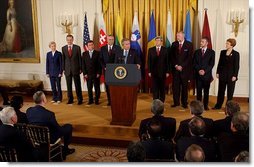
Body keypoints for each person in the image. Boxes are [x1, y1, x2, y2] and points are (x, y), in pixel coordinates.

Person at [26, 91, 75, 157]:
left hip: (34, 137)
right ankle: (66, 149)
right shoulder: (49, 114)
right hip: (49, 138)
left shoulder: (29, 110)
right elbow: (58, 129)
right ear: (44, 100)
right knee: (68, 127)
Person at [213, 38, 240, 110]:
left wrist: (235, 75)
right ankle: (218, 105)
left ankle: (228, 108)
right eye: (226, 43)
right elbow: (220, 63)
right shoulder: (222, 52)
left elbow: (237, 66)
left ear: (232, 45)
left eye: (227, 43)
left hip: (231, 76)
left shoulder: (236, 54)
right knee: (221, 91)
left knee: (230, 93)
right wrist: (217, 72)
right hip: (222, 75)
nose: (226, 44)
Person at [170, 31, 193, 108]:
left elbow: (189, 58)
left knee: (184, 87)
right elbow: (171, 57)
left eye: (179, 36)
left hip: (185, 70)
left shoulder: (189, 45)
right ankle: (176, 102)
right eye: (177, 36)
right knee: (175, 87)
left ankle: (184, 103)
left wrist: (182, 66)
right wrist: (176, 65)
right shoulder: (174, 44)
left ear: (183, 36)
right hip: (176, 70)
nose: (177, 37)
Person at [193, 37, 215, 110]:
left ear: (207, 43)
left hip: (207, 75)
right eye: (201, 41)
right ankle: (199, 106)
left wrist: (204, 71)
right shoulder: (196, 52)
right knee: (198, 92)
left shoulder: (212, 52)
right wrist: (199, 70)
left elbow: (211, 64)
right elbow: (194, 63)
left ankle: (205, 105)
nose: (201, 43)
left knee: (206, 91)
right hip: (198, 75)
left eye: (202, 42)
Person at [100, 35, 121, 106]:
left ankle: (115, 100)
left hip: (115, 70)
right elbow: (101, 60)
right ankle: (110, 100)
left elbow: (120, 59)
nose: (111, 41)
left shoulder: (118, 48)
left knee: (115, 86)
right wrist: (104, 67)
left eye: (112, 39)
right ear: (107, 40)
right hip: (106, 70)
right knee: (108, 86)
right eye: (109, 39)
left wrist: (116, 67)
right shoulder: (102, 48)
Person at [62, 34, 83, 105]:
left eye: (70, 40)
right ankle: (70, 99)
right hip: (67, 70)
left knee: (78, 85)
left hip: (76, 69)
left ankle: (80, 99)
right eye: (68, 40)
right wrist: (63, 69)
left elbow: (80, 59)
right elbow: (63, 59)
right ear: (66, 40)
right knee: (69, 86)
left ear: (72, 40)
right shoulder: (64, 48)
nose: (69, 41)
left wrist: (80, 68)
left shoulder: (77, 48)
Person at [148, 36, 170, 103]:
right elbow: (149, 61)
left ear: (161, 42)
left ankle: (162, 101)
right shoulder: (151, 50)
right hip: (154, 72)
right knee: (155, 87)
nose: (157, 42)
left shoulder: (165, 50)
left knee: (162, 87)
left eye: (158, 40)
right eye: (156, 40)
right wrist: (149, 71)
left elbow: (168, 61)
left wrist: (167, 71)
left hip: (163, 72)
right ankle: (155, 101)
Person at [82, 40, 102, 105]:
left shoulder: (98, 53)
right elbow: (83, 65)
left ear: (93, 45)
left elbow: (99, 64)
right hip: (88, 74)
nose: (91, 46)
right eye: (89, 45)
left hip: (96, 74)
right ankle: (90, 100)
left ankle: (96, 100)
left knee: (97, 87)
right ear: (87, 46)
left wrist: (99, 73)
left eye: (92, 45)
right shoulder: (84, 54)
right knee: (89, 87)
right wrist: (84, 73)